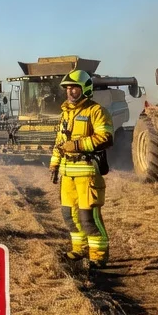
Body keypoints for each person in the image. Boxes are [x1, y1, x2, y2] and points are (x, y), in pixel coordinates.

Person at [48, 70, 113, 268]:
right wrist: (54, 163)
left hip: (87, 174)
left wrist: (77, 145)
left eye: (74, 88)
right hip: (67, 175)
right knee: (69, 216)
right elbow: (59, 142)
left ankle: (98, 256)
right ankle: (80, 249)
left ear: (85, 89)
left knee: (88, 218)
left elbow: (106, 138)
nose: (70, 92)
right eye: (68, 88)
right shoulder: (65, 114)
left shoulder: (96, 111)